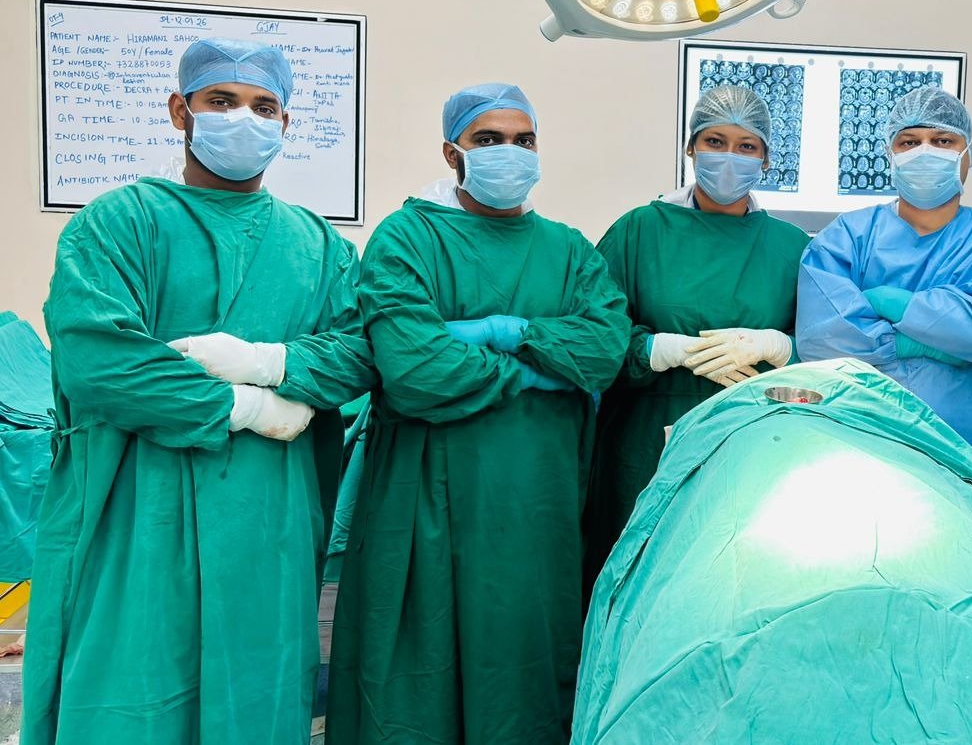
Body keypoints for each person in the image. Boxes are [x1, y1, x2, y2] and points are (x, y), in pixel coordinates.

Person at [23, 38, 376, 745]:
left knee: (257, 699)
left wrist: (269, 362)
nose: (244, 118)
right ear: (180, 111)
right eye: (222, 100)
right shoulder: (118, 223)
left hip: (267, 520)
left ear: (286, 123)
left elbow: (359, 352)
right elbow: (100, 362)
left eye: (264, 106)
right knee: (132, 691)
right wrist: (246, 405)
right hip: (136, 508)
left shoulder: (321, 247)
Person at [326, 83, 630, 745]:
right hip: (427, 499)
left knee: (524, 668)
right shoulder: (408, 236)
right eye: (488, 139)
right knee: (418, 672)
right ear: (452, 152)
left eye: (524, 140)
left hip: (536, 505)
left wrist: (500, 332)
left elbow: (604, 351)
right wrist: (540, 369)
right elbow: (416, 370)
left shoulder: (569, 250)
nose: (508, 152)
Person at [583, 85, 810, 586]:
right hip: (645, 446)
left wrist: (780, 347)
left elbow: (823, 355)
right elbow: (593, 335)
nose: (729, 157)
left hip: (753, 439)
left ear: (767, 158)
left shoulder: (791, 247)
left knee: (733, 584)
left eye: (746, 146)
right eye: (715, 141)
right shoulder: (639, 231)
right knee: (643, 581)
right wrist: (656, 349)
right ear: (690, 147)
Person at [796, 87, 972, 468]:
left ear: (969, 154)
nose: (925, 151)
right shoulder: (847, 238)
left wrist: (886, 302)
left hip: (955, 460)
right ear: (890, 154)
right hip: (853, 449)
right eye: (909, 142)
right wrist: (925, 341)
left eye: (942, 141)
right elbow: (821, 338)